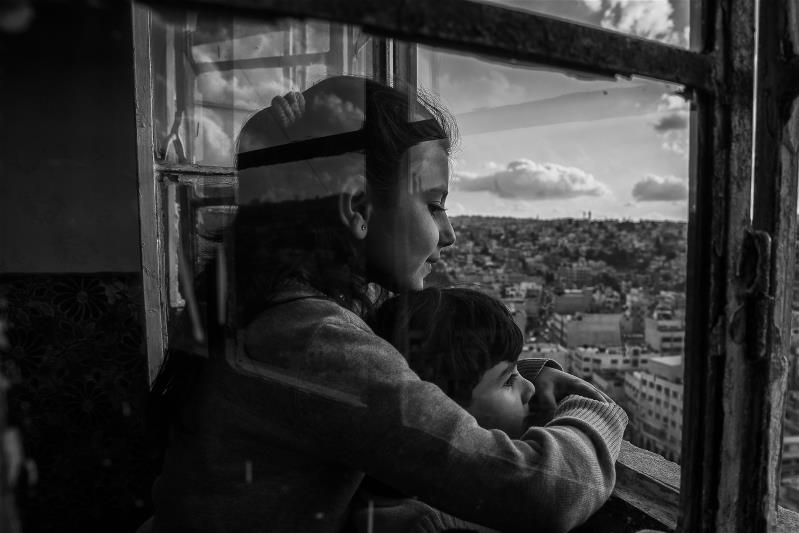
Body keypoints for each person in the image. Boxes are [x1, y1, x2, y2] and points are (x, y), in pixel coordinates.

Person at [146, 75, 625, 533]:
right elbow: (541, 493)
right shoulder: (313, 341)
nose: (449, 234)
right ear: (358, 208)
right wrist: (592, 410)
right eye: (434, 205)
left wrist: (518, 370)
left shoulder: (271, 305)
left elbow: (389, 370)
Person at [348, 287, 627, 532]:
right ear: (438, 410)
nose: (529, 388)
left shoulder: (392, 495)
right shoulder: (426, 525)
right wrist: (595, 413)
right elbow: (560, 488)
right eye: (508, 380)